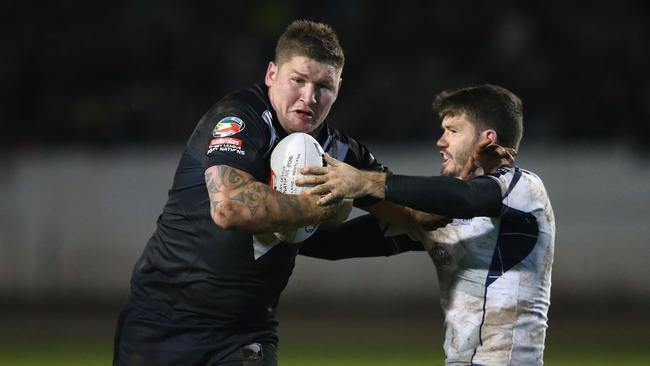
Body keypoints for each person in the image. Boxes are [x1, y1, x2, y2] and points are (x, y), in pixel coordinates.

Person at [113, 20, 431, 366]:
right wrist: (323, 206)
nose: (309, 98)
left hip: (246, 331)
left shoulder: (339, 153)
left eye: (324, 85)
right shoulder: (239, 117)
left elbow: (411, 213)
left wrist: (472, 195)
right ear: (271, 74)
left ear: (339, 88)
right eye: (298, 80)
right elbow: (230, 208)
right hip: (163, 320)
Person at [298, 84, 556, 365]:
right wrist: (269, 226)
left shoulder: (525, 189)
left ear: (488, 138)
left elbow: (467, 198)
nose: (441, 141)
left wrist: (362, 181)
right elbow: (333, 243)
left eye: (453, 131)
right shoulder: (438, 216)